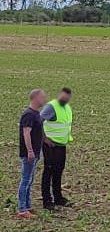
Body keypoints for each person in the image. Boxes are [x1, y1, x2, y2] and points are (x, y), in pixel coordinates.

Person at [39, 87, 73, 209]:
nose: (64, 99)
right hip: (50, 145)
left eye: (67, 98)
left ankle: (58, 198)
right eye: (63, 97)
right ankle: (47, 200)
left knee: (58, 171)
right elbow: (38, 121)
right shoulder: (51, 107)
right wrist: (44, 138)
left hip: (61, 145)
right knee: (48, 171)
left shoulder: (67, 108)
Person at [17, 89, 46, 219]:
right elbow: (26, 133)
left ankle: (27, 206)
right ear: (35, 98)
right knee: (25, 180)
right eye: (42, 97)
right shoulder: (28, 114)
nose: (44, 99)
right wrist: (29, 150)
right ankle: (22, 209)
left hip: (35, 152)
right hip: (29, 153)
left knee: (30, 180)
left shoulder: (36, 114)